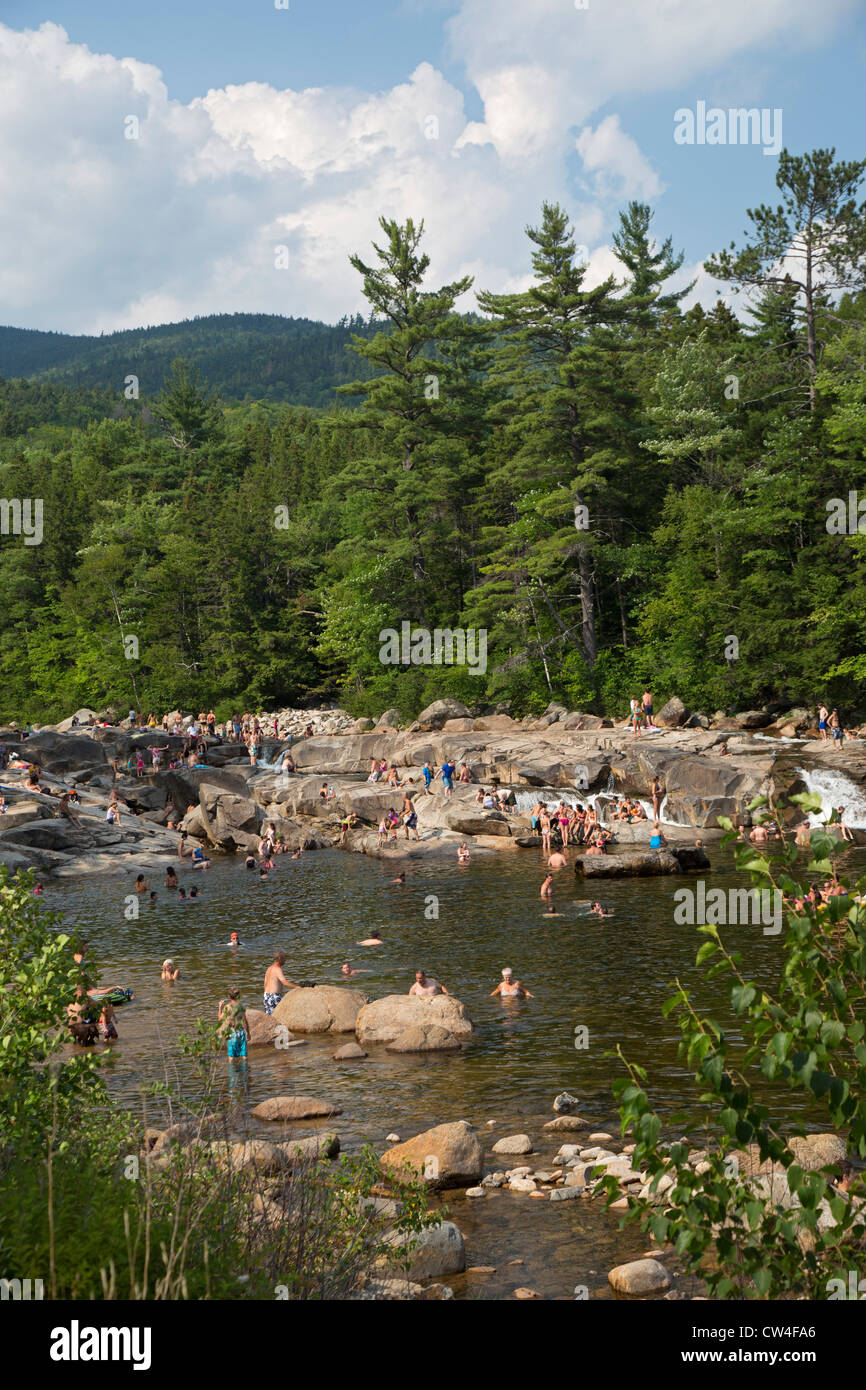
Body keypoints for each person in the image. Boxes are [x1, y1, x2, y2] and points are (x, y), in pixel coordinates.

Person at [218, 987, 250, 1059]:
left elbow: (219, 1019)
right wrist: (248, 1033)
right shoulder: (241, 1006)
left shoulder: (227, 1007)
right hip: (241, 1031)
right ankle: (245, 1069)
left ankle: (232, 1069)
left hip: (232, 1033)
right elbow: (245, 1021)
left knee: (231, 1056)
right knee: (244, 1055)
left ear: (229, 997)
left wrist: (220, 1007)